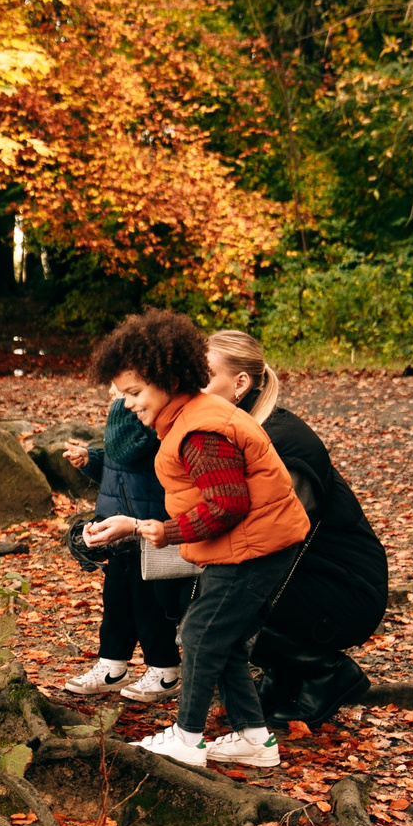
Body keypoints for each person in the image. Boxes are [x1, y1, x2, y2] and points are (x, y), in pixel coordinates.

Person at [80, 310, 311, 769]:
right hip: (248, 544)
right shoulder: (190, 418)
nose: (127, 404)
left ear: (166, 378)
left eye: (134, 393)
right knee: (216, 637)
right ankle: (254, 740)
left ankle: (187, 738)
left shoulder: (201, 429)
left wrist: (166, 532)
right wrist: (140, 525)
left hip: (257, 548)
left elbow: (227, 505)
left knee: (201, 634)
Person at [205, 329, 387, 729]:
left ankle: (328, 673)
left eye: (204, 376)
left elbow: (269, 538)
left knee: (214, 592)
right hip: (306, 580)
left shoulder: (283, 442)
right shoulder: (236, 432)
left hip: (344, 591)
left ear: (240, 383)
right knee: (195, 585)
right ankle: (285, 675)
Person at [58, 397, 183, 703]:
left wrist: (119, 413)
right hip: (117, 527)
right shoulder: (125, 420)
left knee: (150, 604)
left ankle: (166, 669)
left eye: (122, 386)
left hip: (148, 525)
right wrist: (91, 460)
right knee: (116, 601)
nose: (115, 392)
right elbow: (117, 467)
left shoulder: (148, 420)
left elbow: (129, 453)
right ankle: (112, 666)